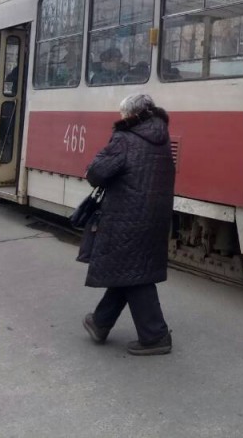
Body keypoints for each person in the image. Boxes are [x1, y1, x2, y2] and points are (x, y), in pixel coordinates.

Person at [80, 93, 176, 356]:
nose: (120, 118)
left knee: (135, 273)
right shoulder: (163, 137)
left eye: (122, 114)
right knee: (131, 268)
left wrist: (91, 167)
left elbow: (97, 173)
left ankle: (155, 335)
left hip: (127, 217)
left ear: (131, 115)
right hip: (154, 216)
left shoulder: (125, 138)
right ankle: (100, 322)